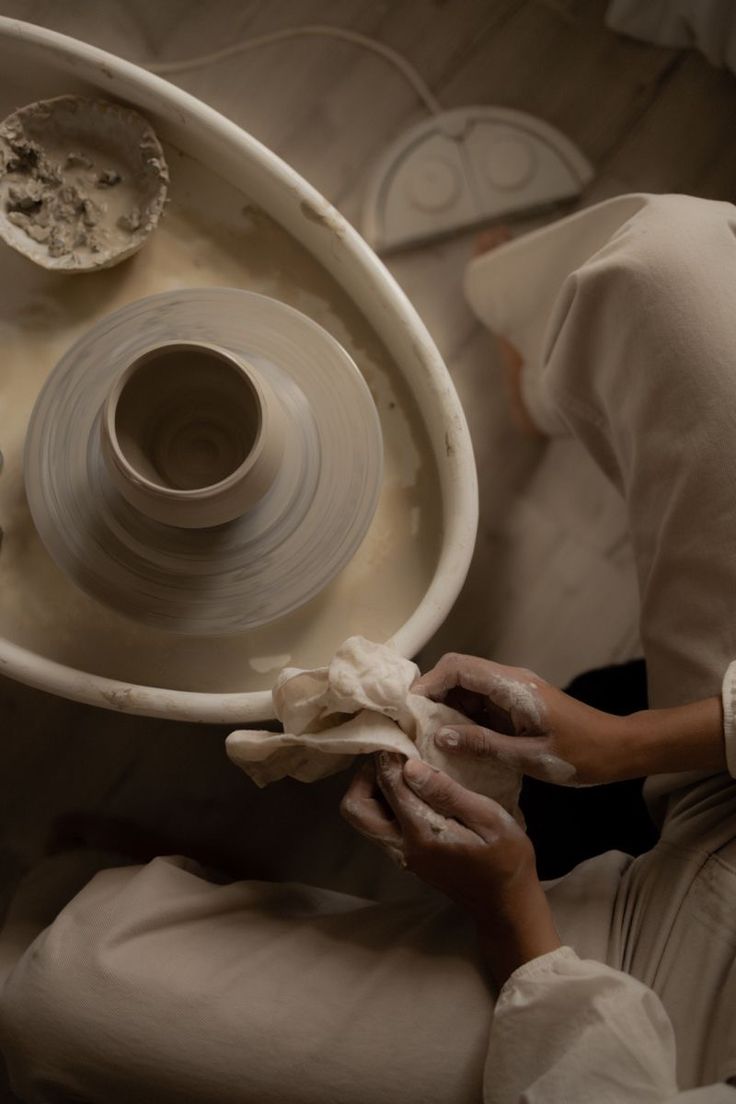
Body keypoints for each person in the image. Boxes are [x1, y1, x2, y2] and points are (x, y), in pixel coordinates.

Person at [2, 191, 736, 1102]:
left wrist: (511, 914)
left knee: (63, 992)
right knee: (668, 260)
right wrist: (635, 743)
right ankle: (543, 356)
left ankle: (76, 898)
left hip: (663, 1037)